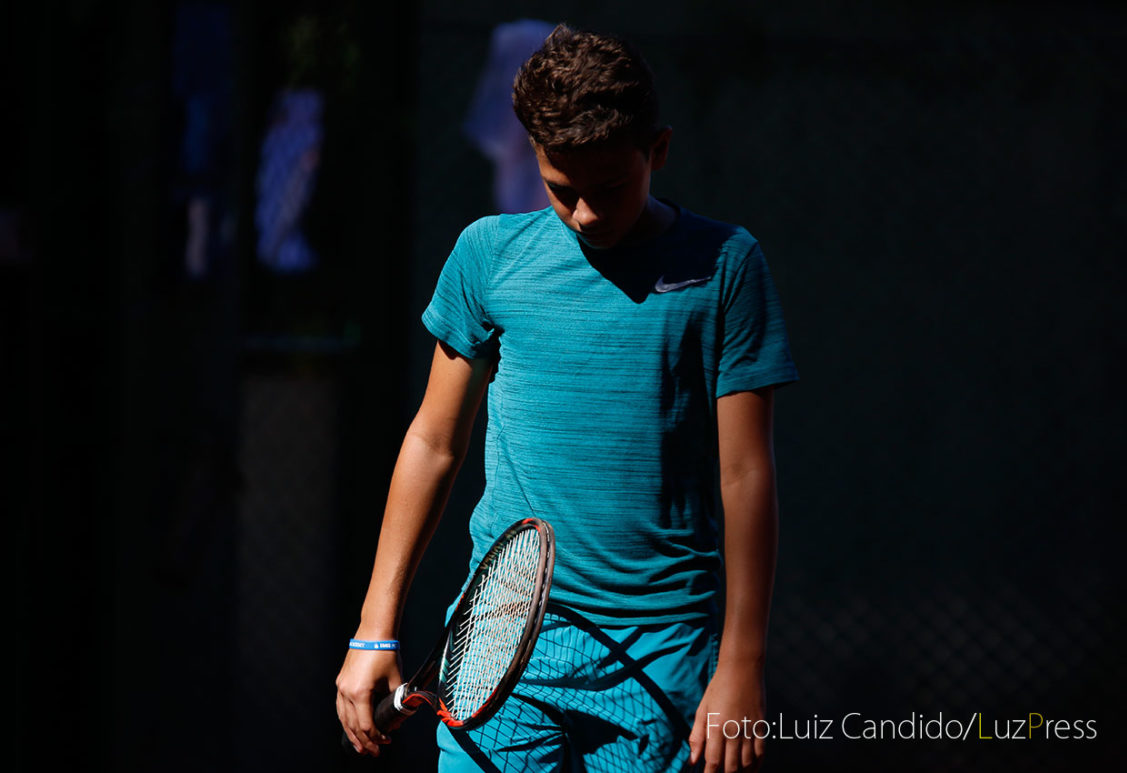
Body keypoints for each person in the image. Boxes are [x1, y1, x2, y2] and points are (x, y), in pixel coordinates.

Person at [336, 23, 799, 773]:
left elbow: (746, 472)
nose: (585, 212)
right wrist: (373, 630)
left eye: (609, 187)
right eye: (562, 188)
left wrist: (741, 662)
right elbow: (433, 440)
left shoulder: (727, 265)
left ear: (658, 151)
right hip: (500, 641)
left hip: (662, 650)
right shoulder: (487, 255)